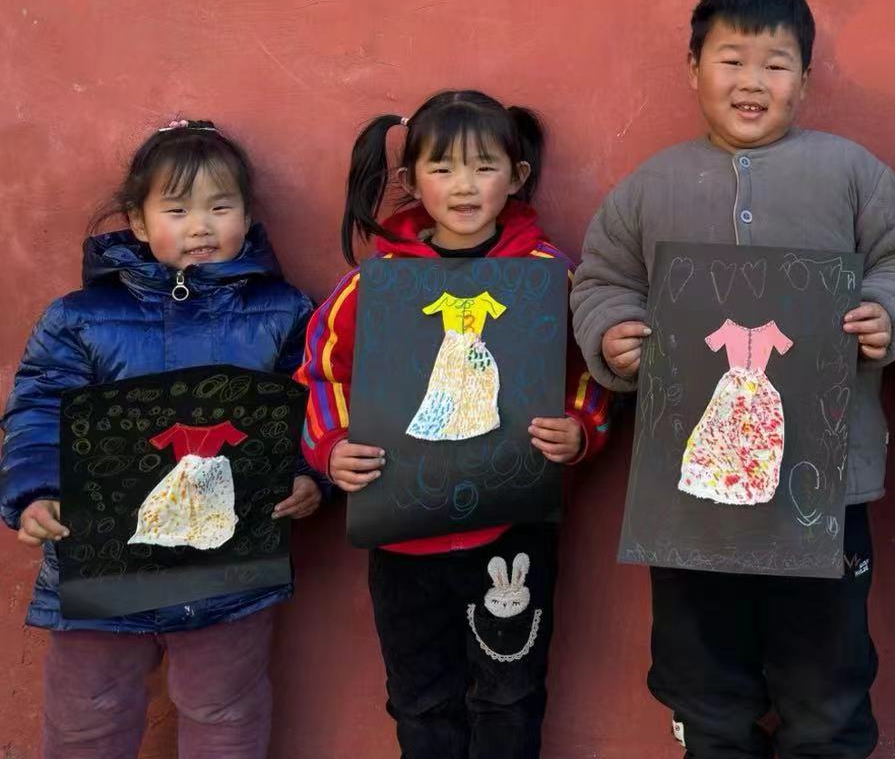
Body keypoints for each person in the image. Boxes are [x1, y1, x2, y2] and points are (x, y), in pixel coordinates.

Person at [572, 0, 895, 759]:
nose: (752, 82)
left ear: (805, 82)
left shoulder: (851, 173)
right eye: (731, 59)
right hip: (688, 493)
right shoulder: (649, 188)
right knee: (704, 681)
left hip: (825, 480)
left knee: (828, 681)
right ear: (693, 68)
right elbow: (602, 280)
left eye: (775, 65)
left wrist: (890, 314)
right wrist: (615, 337)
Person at [296, 90, 611, 759]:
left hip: (509, 531)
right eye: (443, 168)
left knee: (510, 694)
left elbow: (593, 362)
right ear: (411, 182)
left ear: (517, 176)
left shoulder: (549, 276)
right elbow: (324, 370)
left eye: (484, 166)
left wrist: (581, 428)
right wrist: (333, 447)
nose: (464, 185)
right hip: (403, 539)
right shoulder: (374, 285)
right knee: (420, 699)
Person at [1, 119, 323, 758]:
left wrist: (309, 477)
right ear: (141, 222)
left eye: (220, 207)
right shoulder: (80, 319)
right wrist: (35, 492)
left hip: (229, 566)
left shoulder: (286, 312)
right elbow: (37, 409)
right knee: (87, 717)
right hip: (98, 561)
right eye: (177, 210)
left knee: (225, 712)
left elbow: (313, 406)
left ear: (247, 215)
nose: (200, 226)